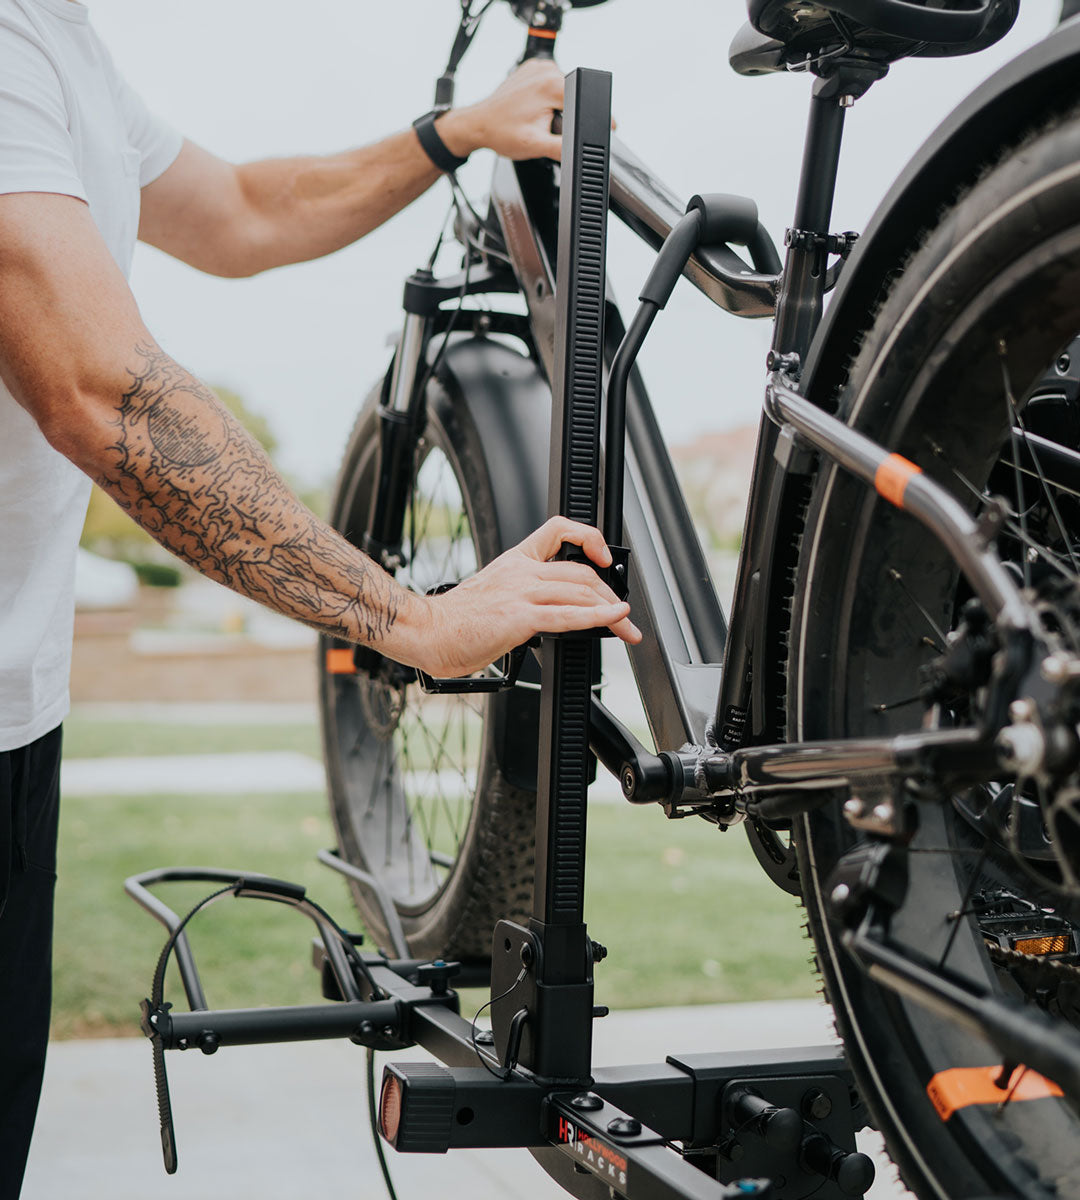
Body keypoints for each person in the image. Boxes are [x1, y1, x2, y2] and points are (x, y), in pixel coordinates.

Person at [0, 1, 640, 1194]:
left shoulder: (56, 40)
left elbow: (247, 209)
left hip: (18, 723)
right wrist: (419, 621)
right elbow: (101, 394)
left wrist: (458, 129)